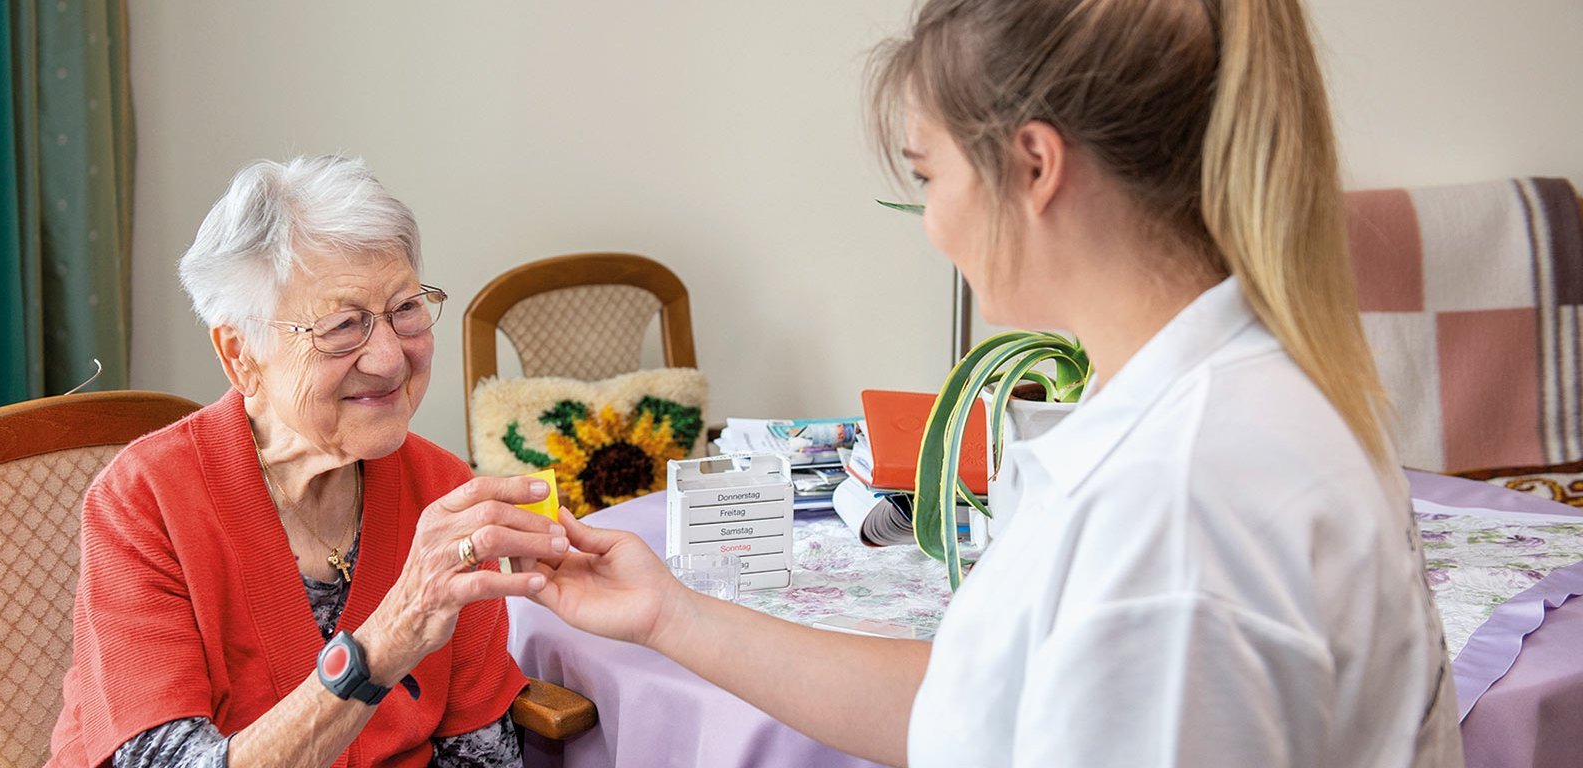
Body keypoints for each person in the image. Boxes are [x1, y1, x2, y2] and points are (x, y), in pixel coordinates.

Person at [529, 0, 1462, 765]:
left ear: (1033, 165)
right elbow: (981, 712)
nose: (929, 220)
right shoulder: (1197, 403)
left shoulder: (1174, 510)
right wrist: (670, 616)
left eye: (928, 174)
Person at [47, 156, 568, 768]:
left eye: (405, 309)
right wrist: (388, 639)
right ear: (241, 356)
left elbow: (480, 754)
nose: (389, 358)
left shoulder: (442, 491)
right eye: (342, 326)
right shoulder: (145, 501)